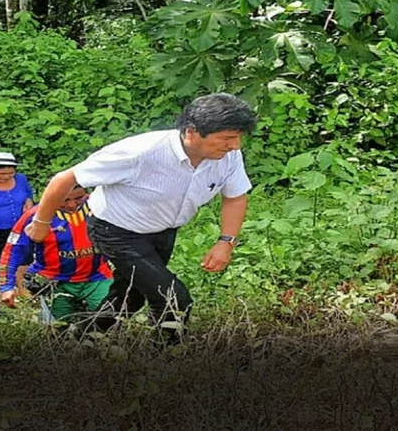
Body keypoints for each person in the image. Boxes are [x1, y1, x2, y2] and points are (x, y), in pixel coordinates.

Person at [23, 93, 256, 344]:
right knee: (173, 298)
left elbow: (235, 196)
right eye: (227, 138)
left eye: (238, 138)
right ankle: (165, 353)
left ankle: (85, 335)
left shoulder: (227, 156)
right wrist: (41, 224)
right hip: (115, 230)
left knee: (130, 296)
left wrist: (226, 241)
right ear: (191, 132)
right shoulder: (140, 152)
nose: (235, 146)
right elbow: (64, 179)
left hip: (163, 231)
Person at [0, 184, 114, 322]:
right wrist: (6, 286)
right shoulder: (34, 216)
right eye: (64, 200)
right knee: (58, 328)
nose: (72, 205)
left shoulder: (100, 207)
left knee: (108, 319)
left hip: (98, 277)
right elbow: (12, 250)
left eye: (79, 198)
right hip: (55, 281)